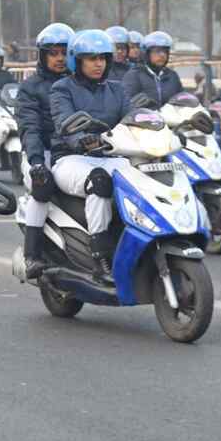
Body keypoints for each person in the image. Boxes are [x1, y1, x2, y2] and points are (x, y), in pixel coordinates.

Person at [49, 29, 133, 280]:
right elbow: (63, 122)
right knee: (99, 181)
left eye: (103, 58)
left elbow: (131, 119)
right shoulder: (61, 88)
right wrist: (81, 141)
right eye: (91, 58)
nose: (99, 64)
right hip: (71, 159)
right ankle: (99, 256)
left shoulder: (118, 90)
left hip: (111, 155)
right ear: (77, 60)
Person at [15, 22, 73, 279]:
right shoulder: (31, 87)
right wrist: (37, 162)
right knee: (42, 186)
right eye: (53, 53)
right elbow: (30, 129)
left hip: (75, 155)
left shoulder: (81, 84)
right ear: (42, 55)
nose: (60, 58)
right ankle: (31, 255)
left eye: (65, 52)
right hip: (44, 153)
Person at [122, 31, 183, 107]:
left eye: (165, 51)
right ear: (146, 53)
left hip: (170, 117)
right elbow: (126, 104)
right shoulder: (134, 75)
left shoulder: (172, 76)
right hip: (145, 117)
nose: (162, 55)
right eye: (157, 51)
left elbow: (182, 99)